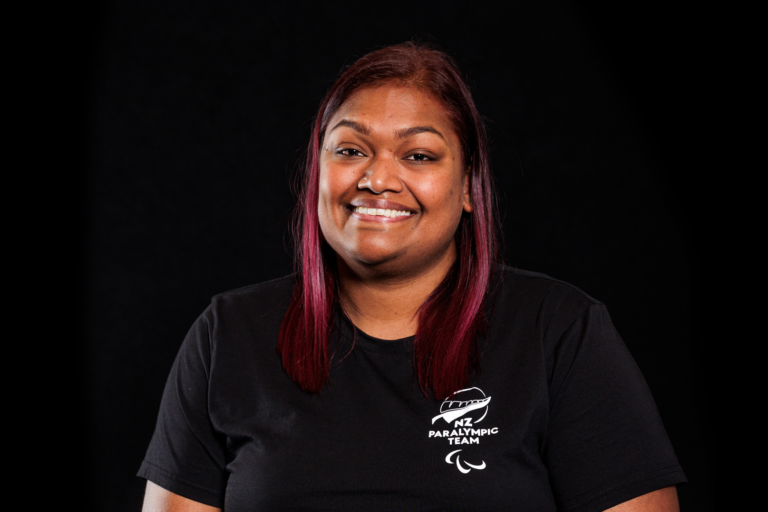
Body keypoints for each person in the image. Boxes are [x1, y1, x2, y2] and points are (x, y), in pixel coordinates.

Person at [138, 42, 686, 511]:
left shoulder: (560, 333)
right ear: (317, 170)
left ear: (470, 186)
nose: (377, 179)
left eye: (419, 155)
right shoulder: (227, 335)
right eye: (350, 149)